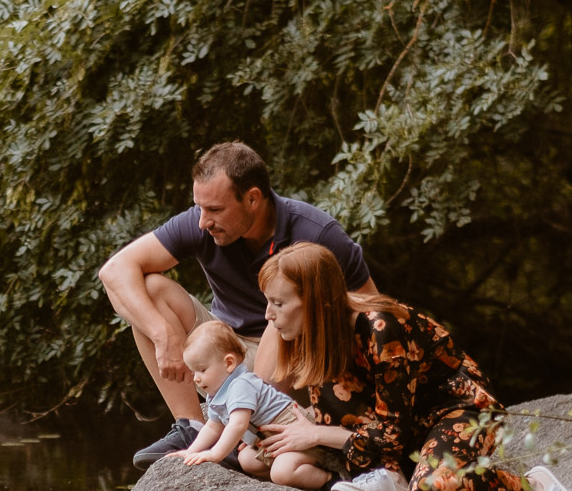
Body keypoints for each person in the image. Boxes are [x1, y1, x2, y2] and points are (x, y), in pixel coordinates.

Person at [252, 242, 572, 491]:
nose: (268, 314)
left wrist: (316, 435)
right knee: (277, 460)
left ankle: (533, 488)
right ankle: (408, 477)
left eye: (278, 303)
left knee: (432, 490)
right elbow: (338, 417)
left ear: (314, 301)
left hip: (458, 410)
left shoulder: (380, 327)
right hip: (402, 430)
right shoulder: (310, 337)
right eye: (267, 302)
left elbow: (391, 435)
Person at [99, 141, 378, 468]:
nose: (203, 221)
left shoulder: (316, 232)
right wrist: (164, 336)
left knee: (275, 318)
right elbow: (114, 271)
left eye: (215, 210)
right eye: (199, 207)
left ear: (253, 199)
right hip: (231, 353)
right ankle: (192, 427)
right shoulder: (201, 222)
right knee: (150, 290)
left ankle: (248, 435)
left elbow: (373, 313)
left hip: (299, 361)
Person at [167, 321, 302, 478]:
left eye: (202, 370)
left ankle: (326, 479)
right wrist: (191, 451)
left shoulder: (241, 384)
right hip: (270, 440)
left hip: (293, 436)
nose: (196, 378)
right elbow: (213, 427)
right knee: (246, 459)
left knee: (284, 472)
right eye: (193, 372)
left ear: (229, 363)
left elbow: (238, 424)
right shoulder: (217, 394)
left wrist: (214, 454)